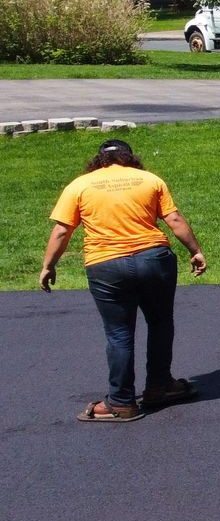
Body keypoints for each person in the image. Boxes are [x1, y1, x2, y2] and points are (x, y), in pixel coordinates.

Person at [42, 138, 207, 423]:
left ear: (99, 160)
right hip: (154, 259)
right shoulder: (150, 180)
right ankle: (160, 386)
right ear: (130, 157)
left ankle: (120, 403)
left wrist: (48, 266)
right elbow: (175, 219)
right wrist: (195, 251)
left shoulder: (79, 185)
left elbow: (61, 231)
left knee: (119, 333)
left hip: (106, 265)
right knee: (160, 322)